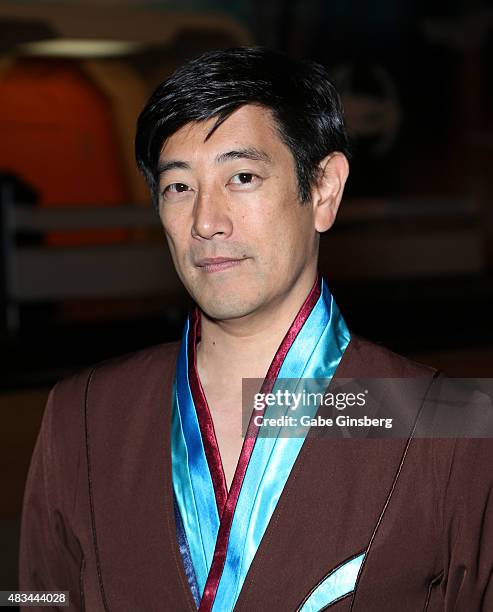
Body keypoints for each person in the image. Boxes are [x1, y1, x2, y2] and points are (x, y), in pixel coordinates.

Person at [19, 47, 493, 611]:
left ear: (323, 190)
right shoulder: (85, 415)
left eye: (242, 177)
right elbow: (38, 595)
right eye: (178, 187)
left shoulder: (447, 427)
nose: (206, 222)